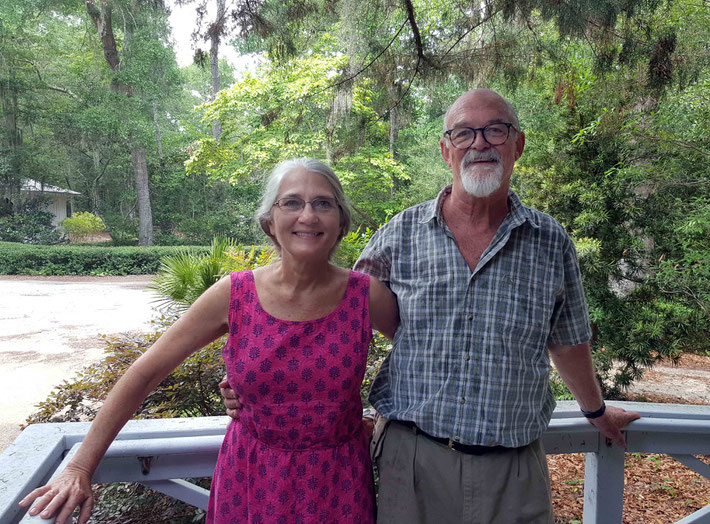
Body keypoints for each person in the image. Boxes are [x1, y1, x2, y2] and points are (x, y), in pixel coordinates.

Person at [218, 89, 642, 523]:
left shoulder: (550, 241)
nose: (479, 143)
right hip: (412, 467)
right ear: (445, 150)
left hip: (514, 471)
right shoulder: (400, 235)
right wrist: (259, 382)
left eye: (495, 130)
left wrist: (595, 409)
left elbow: (568, 340)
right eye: (463, 133)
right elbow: (328, 313)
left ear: (518, 145)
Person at [18, 158, 398, 524]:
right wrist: (81, 466)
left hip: (338, 482)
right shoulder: (235, 294)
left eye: (323, 204)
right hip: (251, 477)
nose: (308, 215)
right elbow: (145, 373)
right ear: (269, 221)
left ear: (341, 222)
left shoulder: (366, 295)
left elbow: (421, 359)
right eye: (292, 202)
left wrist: (380, 418)